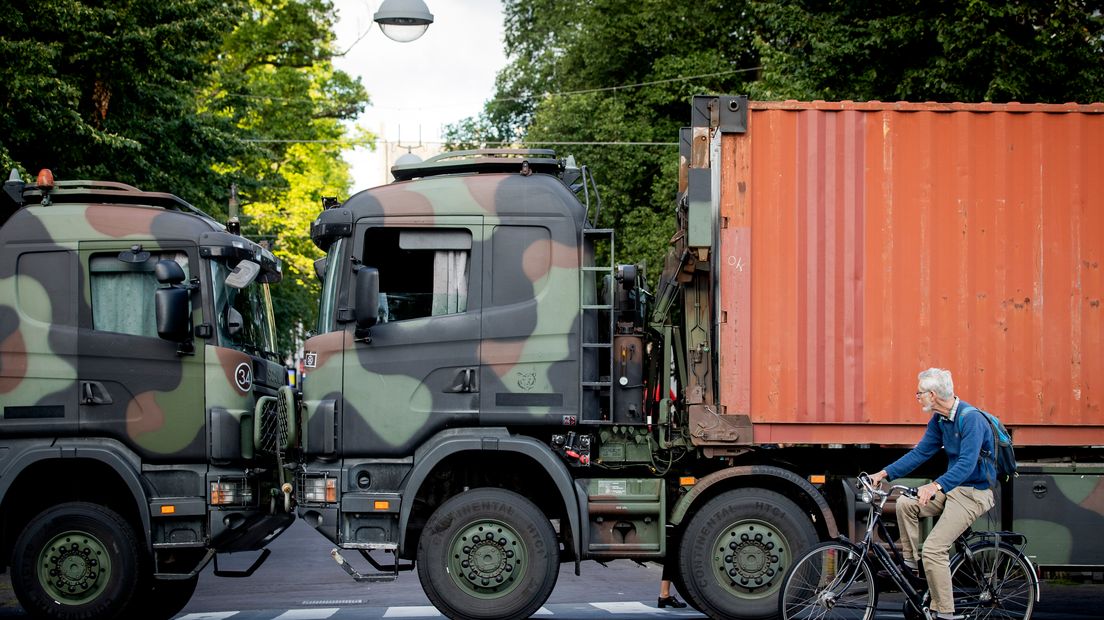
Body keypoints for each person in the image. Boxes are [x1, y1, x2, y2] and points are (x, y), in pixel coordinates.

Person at [869, 368, 996, 620]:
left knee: (934, 549)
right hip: (952, 488)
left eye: (919, 394)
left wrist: (934, 486)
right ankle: (910, 564)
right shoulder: (940, 420)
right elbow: (920, 453)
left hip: (973, 492)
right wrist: (882, 474)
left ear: (933, 394)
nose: (917, 398)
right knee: (906, 503)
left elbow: (966, 465)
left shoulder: (971, 419)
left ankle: (945, 612)